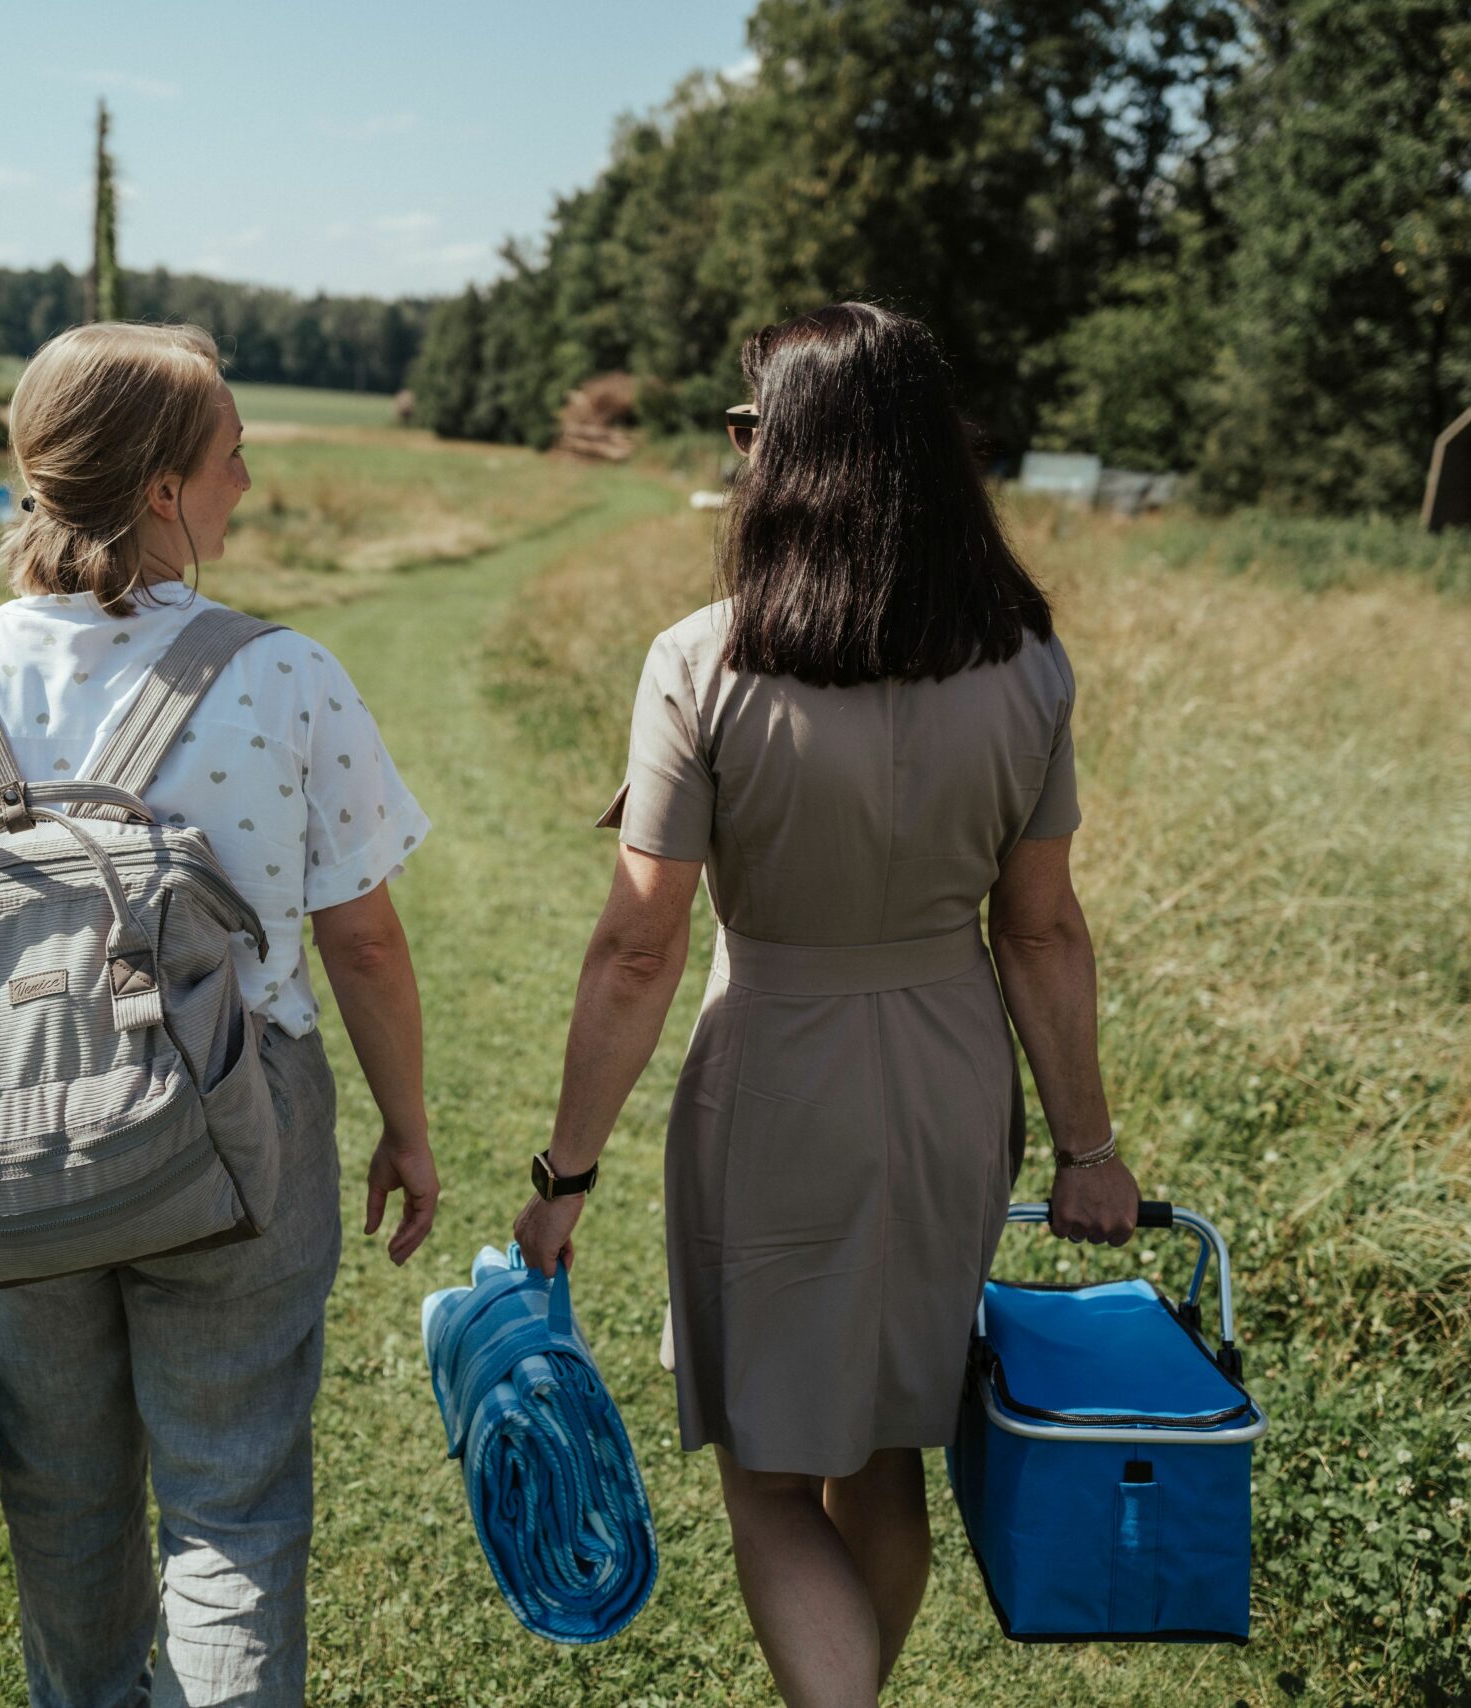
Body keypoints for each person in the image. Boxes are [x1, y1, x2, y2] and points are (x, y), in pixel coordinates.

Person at [0, 321, 440, 1707]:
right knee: (233, 1509)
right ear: (161, 493)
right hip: (234, 1134)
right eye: (231, 457)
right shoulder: (281, 673)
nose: (247, 481)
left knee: (63, 1503)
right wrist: (405, 1129)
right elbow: (364, 941)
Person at [512, 302, 1142, 1708]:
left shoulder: (703, 658)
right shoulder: (1029, 660)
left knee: (770, 1480)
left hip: (777, 1077)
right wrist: (1091, 1146)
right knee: (883, 1450)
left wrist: (566, 1170)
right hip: (948, 1081)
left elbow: (637, 946)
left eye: (748, 427)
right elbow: (1038, 929)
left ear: (791, 452)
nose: (736, 454)